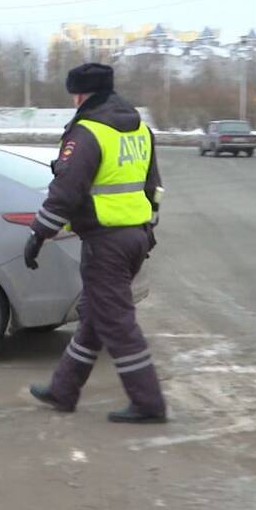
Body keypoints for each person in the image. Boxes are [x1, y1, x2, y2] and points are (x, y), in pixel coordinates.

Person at [24, 63, 167, 424]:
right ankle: (64, 389)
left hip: (106, 243)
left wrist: (39, 234)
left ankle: (148, 402)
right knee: (95, 316)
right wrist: (147, 231)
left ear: (80, 94)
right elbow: (154, 187)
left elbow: (66, 190)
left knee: (118, 325)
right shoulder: (140, 129)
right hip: (134, 237)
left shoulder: (87, 133)